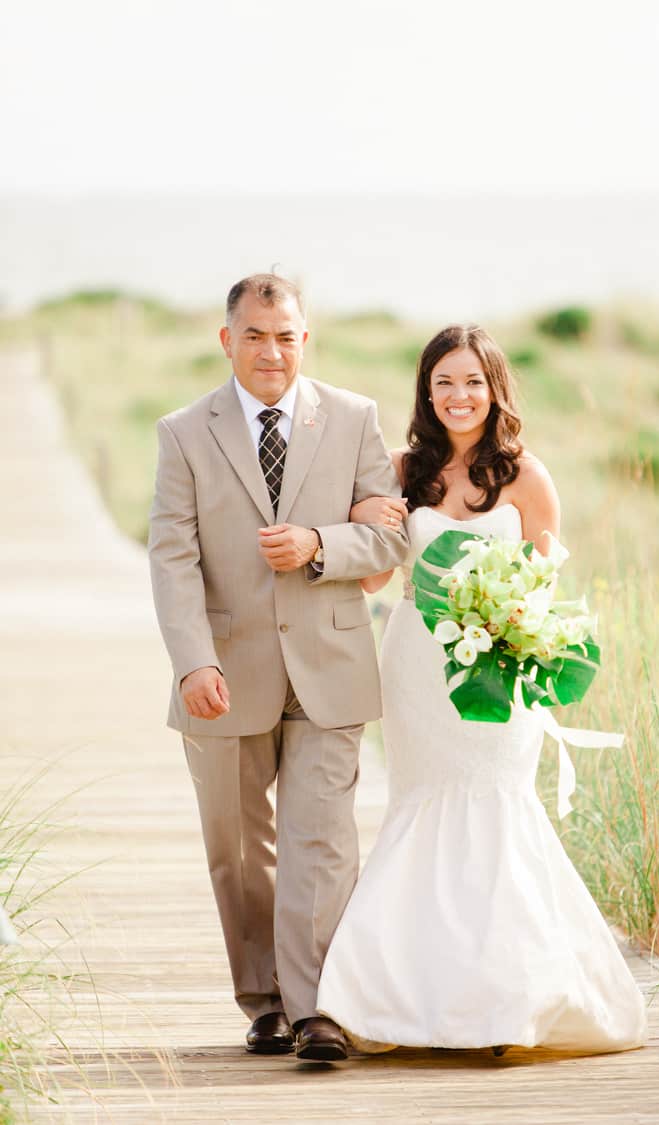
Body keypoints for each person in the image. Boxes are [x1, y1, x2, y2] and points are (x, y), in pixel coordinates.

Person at [316, 324, 647, 1054]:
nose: (458, 396)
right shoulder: (402, 469)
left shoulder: (527, 476)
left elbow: (543, 585)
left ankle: (508, 1005)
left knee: (498, 807)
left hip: (503, 663)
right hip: (417, 668)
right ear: (426, 393)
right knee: (423, 808)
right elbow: (374, 577)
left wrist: (504, 624)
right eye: (444, 383)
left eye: (472, 382)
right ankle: (402, 998)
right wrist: (365, 517)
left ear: (495, 388)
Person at [148, 274, 409, 1061]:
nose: (273, 350)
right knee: (238, 847)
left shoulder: (356, 418)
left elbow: (391, 539)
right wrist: (192, 660)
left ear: (306, 338)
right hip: (223, 672)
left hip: (329, 662)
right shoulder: (184, 432)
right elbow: (171, 557)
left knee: (322, 839)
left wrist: (321, 545)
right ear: (228, 340)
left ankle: (317, 1008)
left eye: (287, 334)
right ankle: (262, 998)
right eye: (256, 335)